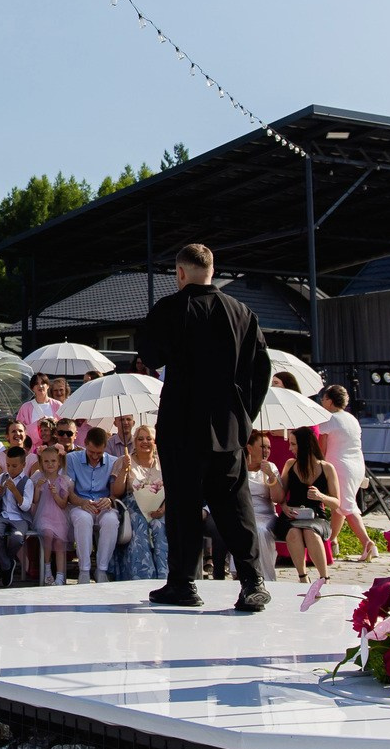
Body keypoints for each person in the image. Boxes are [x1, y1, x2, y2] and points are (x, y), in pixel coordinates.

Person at [137, 242, 275, 611]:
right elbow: (261, 369)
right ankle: (252, 582)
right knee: (235, 503)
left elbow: (149, 355)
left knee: (183, 504)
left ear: (180, 272)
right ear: (213, 270)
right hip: (228, 423)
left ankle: (182, 584)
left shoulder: (170, 308)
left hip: (182, 422)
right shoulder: (242, 312)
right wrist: (245, 416)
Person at [272, 427, 340, 582]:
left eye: (294, 444)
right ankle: (302, 577)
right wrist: (284, 507)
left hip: (316, 517)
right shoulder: (290, 465)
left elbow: (336, 503)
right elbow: (281, 496)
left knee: (310, 532)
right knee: (293, 533)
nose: (290, 448)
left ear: (305, 445)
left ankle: (324, 577)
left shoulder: (327, 468)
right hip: (292, 515)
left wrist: (321, 496)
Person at [316, 386, 373, 561]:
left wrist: (317, 463)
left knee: (347, 506)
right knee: (340, 506)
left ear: (330, 401)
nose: (322, 401)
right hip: (356, 464)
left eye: (324, 398)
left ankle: (367, 542)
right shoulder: (351, 418)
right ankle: (332, 541)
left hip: (339, 465)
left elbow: (322, 448)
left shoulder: (328, 419)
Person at [65, 426, 121, 584]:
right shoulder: (72, 459)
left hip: (103, 505)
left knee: (111, 520)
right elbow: (69, 492)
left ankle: (102, 570)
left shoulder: (113, 461)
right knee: (83, 519)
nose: (95, 457)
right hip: (80, 505)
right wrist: (82, 502)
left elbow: (114, 493)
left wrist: (109, 500)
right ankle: (84, 570)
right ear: (85, 444)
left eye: (99, 453)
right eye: (91, 452)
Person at [117, 424, 169, 582]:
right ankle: (141, 577)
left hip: (160, 508)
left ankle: (165, 576)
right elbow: (115, 492)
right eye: (140, 439)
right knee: (139, 526)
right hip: (133, 507)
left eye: (149, 439)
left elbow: (174, 489)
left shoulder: (164, 462)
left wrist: (163, 508)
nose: (144, 442)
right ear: (134, 442)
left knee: (161, 526)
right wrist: (123, 471)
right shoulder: (125, 461)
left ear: (155, 442)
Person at [0, 444, 36, 585]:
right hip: (4, 515)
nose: (10, 469)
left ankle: (4, 563)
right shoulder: (2, 477)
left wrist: (16, 492)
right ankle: (7, 565)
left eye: (14, 466)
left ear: (23, 465)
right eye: (8, 465)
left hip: (20, 518)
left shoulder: (27, 482)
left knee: (17, 538)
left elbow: (27, 506)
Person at [30, 446, 74, 586]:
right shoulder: (38, 477)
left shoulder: (64, 480)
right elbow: (35, 501)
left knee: (60, 542)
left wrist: (55, 493)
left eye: (53, 461)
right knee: (47, 534)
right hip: (43, 515)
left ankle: (60, 575)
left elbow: (63, 504)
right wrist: (37, 489)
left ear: (59, 462)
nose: (50, 464)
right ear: (41, 462)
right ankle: (47, 568)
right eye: (46, 461)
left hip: (59, 517)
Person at [245, 432, 280, 583]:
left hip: (265, 514)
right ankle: (241, 573)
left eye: (268, 447)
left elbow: (278, 498)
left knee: (259, 530)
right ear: (250, 448)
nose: (266, 451)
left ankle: (266, 576)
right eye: (262, 447)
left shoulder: (270, 467)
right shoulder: (239, 466)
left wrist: (271, 476)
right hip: (245, 511)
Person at [17, 374, 61, 444]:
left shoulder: (57, 405)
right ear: (32, 388)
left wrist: (53, 423)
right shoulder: (25, 407)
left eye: (43, 383)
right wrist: (36, 424)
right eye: (36, 384)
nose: (40, 386)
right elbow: (19, 429)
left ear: (48, 386)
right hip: (34, 448)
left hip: (54, 448)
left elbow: (64, 426)